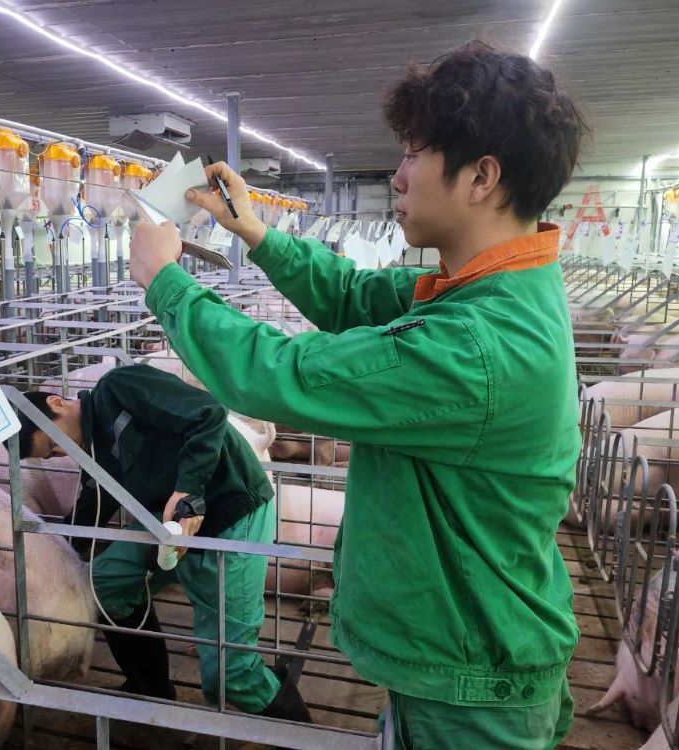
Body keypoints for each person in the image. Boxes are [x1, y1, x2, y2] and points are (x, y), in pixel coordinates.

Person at [127, 41, 589, 749]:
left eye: (413, 154)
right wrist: (257, 232)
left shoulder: (478, 343)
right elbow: (354, 294)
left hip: (470, 682)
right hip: (466, 649)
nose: (397, 177)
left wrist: (165, 282)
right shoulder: (493, 291)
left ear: (481, 177)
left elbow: (280, 373)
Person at [14, 363, 312, 726]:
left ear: (57, 403)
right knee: (102, 587)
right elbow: (94, 503)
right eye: (51, 455)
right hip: (169, 520)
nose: (60, 453)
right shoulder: (94, 450)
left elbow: (208, 414)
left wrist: (188, 491)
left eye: (53, 443)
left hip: (230, 510)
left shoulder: (118, 388)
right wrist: (52, 549)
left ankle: (300, 734)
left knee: (229, 674)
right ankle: (151, 689)